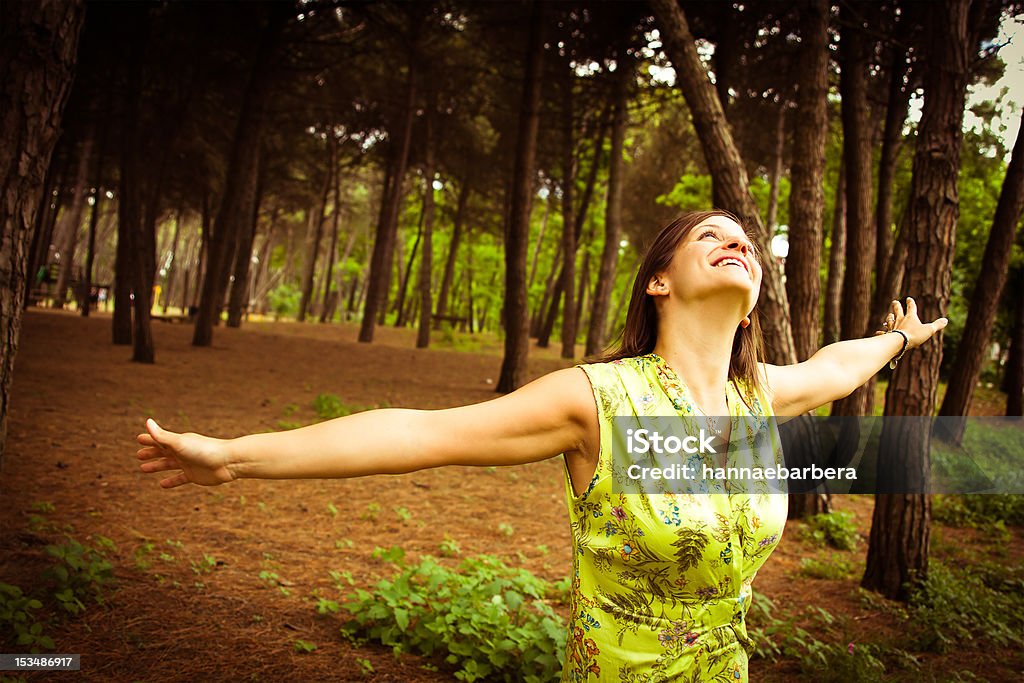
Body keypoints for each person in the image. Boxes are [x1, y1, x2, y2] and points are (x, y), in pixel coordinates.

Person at [136, 209, 947, 682]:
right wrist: (234, 455)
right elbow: (422, 433)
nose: (737, 242)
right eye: (711, 233)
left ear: (751, 306)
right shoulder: (597, 398)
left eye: (747, 243)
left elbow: (837, 365)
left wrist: (899, 340)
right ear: (659, 280)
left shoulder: (756, 395)